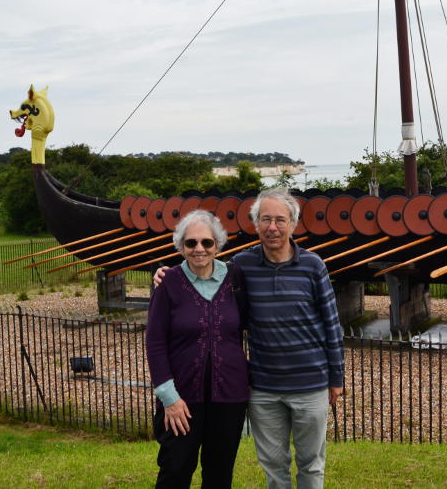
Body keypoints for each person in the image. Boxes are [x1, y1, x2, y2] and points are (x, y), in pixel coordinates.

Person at [155, 189, 345, 489]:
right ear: (255, 224)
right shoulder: (241, 267)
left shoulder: (312, 266)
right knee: (274, 467)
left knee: (311, 465)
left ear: (293, 224)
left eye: (280, 220)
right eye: (265, 219)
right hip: (264, 387)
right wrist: (165, 274)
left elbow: (332, 326)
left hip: (308, 383)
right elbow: (200, 277)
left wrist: (337, 378)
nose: (273, 227)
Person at [145, 209, 249, 489]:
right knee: (175, 470)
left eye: (207, 242)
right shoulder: (168, 283)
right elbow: (154, 342)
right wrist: (169, 398)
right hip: (181, 398)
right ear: (180, 246)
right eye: (191, 243)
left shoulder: (235, 279)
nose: (199, 249)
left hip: (229, 397)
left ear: (218, 245)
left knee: (219, 474)